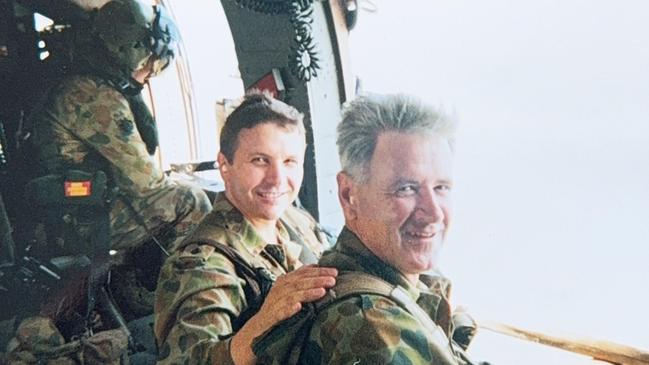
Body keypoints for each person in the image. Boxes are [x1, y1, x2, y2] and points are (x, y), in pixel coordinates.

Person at [255, 93, 478, 364]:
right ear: (349, 195)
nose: (433, 213)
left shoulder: (383, 284)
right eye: (406, 188)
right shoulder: (373, 325)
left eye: (441, 188)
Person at [154, 92, 337, 365]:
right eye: (260, 161)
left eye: (289, 162)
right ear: (225, 166)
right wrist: (262, 323)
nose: (277, 180)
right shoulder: (203, 265)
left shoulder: (295, 220)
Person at [27, 0, 211, 254]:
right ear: (133, 50)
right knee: (191, 200)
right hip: (78, 221)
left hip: (69, 211)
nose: (147, 76)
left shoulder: (84, 83)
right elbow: (146, 183)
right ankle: (182, 288)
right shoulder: (95, 97)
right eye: (150, 65)